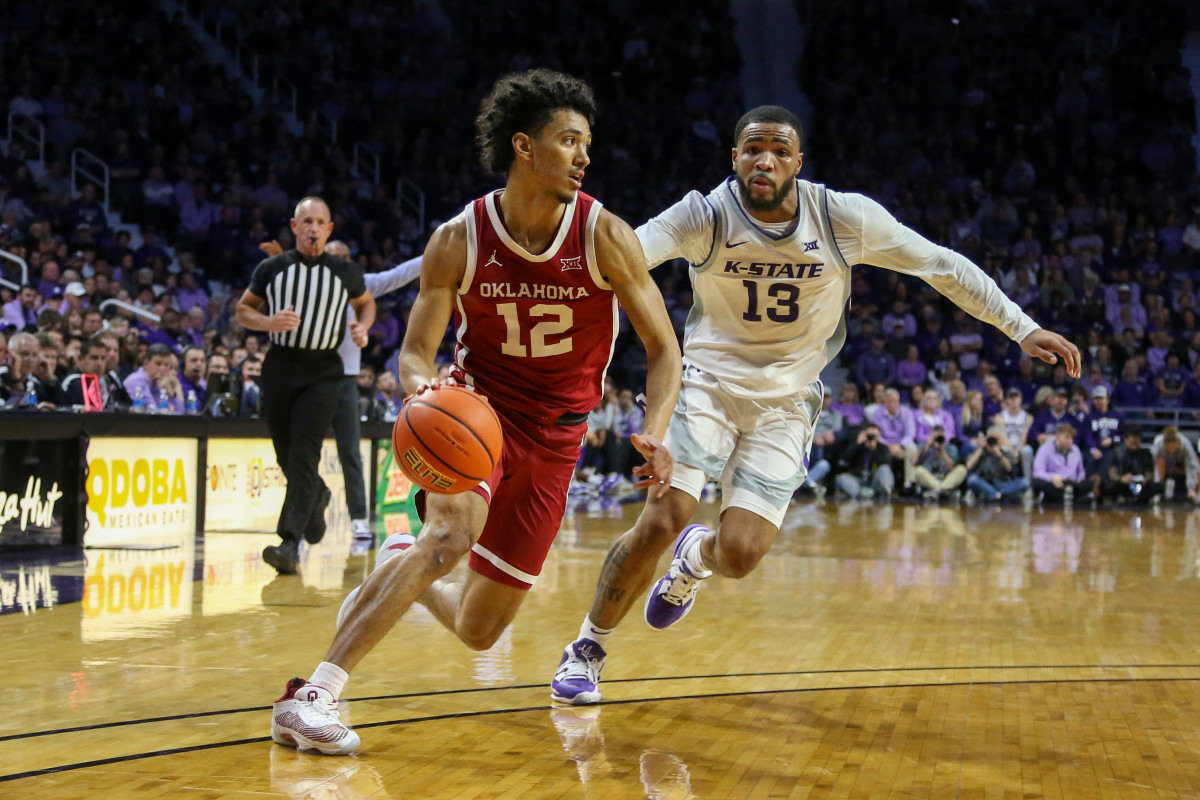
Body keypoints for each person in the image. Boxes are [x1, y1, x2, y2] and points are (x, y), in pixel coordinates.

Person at [551, 104, 1080, 706]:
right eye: (752, 149)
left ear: (799, 162)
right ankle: (586, 649)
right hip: (706, 385)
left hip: (788, 403)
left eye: (779, 150)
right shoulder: (704, 215)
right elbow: (620, 263)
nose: (764, 160)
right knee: (662, 517)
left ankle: (694, 561)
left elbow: (938, 264)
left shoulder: (842, 218)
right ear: (734, 158)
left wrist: (1020, 327)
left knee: (741, 554)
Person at [269, 69, 681, 755]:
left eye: (587, 142)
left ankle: (398, 557)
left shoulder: (605, 234)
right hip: (476, 415)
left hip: (557, 440)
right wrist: (427, 393)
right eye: (569, 141)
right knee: (450, 538)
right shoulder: (458, 239)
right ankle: (313, 695)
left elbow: (665, 349)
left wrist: (656, 430)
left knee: (479, 628)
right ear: (524, 146)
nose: (584, 156)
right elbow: (415, 353)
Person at [236, 196, 376, 574]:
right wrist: (267, 323)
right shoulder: (272, 268)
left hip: (323, 372)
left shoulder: (346, 273)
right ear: (294, 227)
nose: (313, 228)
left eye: (320, 222)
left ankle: (288, 542)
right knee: (285, 453)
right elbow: (243, 309)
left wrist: (362, 328)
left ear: (329, 230)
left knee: (303, 451)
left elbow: (366, 304)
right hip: (280, 365)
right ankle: (319, 494)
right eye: (306, 221)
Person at [259, 237, 423, 555]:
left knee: (350, 451)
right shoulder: (308, 288)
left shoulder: (360, 286)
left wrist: (435, 251)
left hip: (345, 381)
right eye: (332, 255)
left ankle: (358, 518)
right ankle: (315, 497)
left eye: (344, 255)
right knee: (294, 455)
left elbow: (400, 273)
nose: (338, 261)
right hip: (310, 380)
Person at [1032, 423, 1097, 504]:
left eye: (1072, 438)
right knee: (1037, 482)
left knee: (1092, 481)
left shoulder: (1075, 449)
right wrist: (1052, 477)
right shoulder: (1045, 449)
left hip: (1072, 484)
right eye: (1067, 437)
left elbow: (1080, 471)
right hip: (1055, 484)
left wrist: (1080, 479)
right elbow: (1037, 472)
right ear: (1058, 437)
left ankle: (1068, 498)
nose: (1070, 441)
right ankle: (1072, 499)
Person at [1101, 424, 1160, 506]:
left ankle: (1140, 498)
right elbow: (1112, 474)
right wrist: (1122, 479)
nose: (1134, 446)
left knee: (1158, 486)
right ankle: (1121, 498)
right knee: (1107, 485)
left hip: (1140, 485)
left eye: (1136, 442)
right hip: (1123, 485)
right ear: (1126, 440)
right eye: (1132, 443)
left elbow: (1150, 474)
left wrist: (1145, 479)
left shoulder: (1146, 454)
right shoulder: (1117, 453)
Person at [1151, 426, 1199, 503]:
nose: (1172, 450)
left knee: (1197, 462)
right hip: (1166, 466)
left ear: (1178, 443)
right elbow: (1152, 465)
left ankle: (1194, 493)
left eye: (1174, 447)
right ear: (1165, 445)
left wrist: (1191, 488)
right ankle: (1157, 491)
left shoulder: (1185, 444)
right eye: (1169, 448)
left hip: (1181, 465)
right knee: (1160, 462)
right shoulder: (1158, 443)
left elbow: (1193, 466)